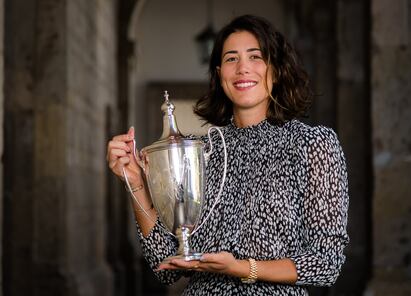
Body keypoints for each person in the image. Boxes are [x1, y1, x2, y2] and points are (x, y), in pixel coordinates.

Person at [107, 14, 349, 295]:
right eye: (231, 59)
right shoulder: (198, 151)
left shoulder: (313, 144)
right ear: (220, 74)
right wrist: (136, 183)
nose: (243, 68)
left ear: (276, 69)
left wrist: (242, 268)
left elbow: (326, 264)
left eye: (255, 56)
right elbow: (165, 264)